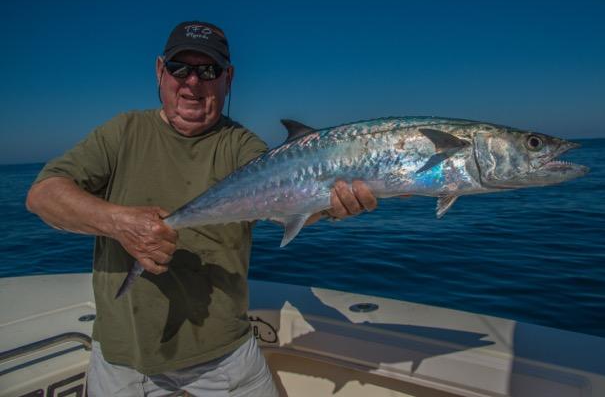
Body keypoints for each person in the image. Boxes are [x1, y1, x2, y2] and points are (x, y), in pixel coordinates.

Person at [26, 21, 377, 396]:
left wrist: (334, 205)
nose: (192, 83)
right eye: (180, 68)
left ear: (228, 78)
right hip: (123, 360)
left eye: (208, 70)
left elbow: (286, 197)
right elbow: (43, 195)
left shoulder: (241, 146)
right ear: (160, 71)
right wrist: (118, 222)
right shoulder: (123, 132)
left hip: (227, 355)